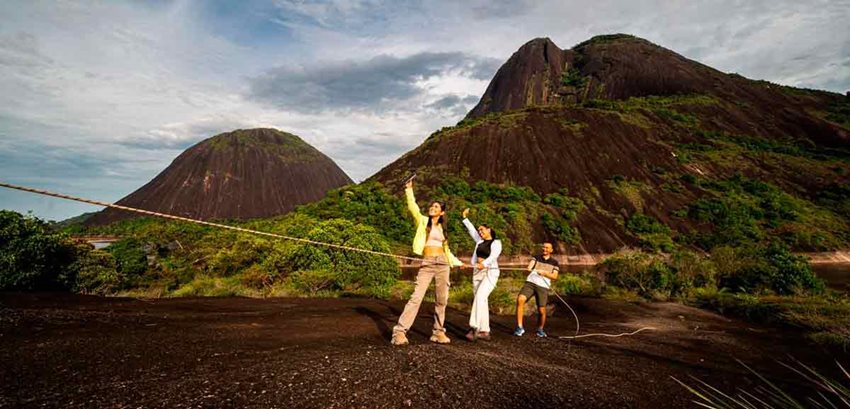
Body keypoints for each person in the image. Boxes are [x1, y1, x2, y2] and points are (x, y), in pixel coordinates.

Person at [391, 179, 463, 346]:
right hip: (428, 262)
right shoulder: (423, 221)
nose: (432, 208)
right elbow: (413, 208)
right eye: (432, 206)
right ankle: (399, 332)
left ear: (442, 213)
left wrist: (458, 263)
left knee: (442, 300)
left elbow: (447, 251)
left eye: (437, 207)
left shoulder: (443, 230)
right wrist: (409, 190)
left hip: (443, 263)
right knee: (416, 298)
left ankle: (438, 332)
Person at [461, 208, 502, 341]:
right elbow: (472, 231)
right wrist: (465, 218)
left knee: (479, 297)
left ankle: (474, 328)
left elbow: (493, 257)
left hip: (490, 273)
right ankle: (485, 331)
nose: (480, 232)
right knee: (482, 301)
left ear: (489, 229)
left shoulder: (496, 243)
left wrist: (483, 264)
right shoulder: (479, 241)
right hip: (477, 272)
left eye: (482, 230)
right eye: (479, 230)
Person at [514, 242, 559, 338]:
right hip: (530, 283)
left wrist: (544, 273)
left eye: (547, 248)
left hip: (543, 287)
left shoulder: (554, 262)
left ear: (551, 250)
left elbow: (554, 276)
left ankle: (540, 329)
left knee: (542, 310)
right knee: (520, 299)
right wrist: (530, 268)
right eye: (543, 247)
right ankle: (519, 327)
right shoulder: (536, 257)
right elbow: (530, 266)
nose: (544, 249)